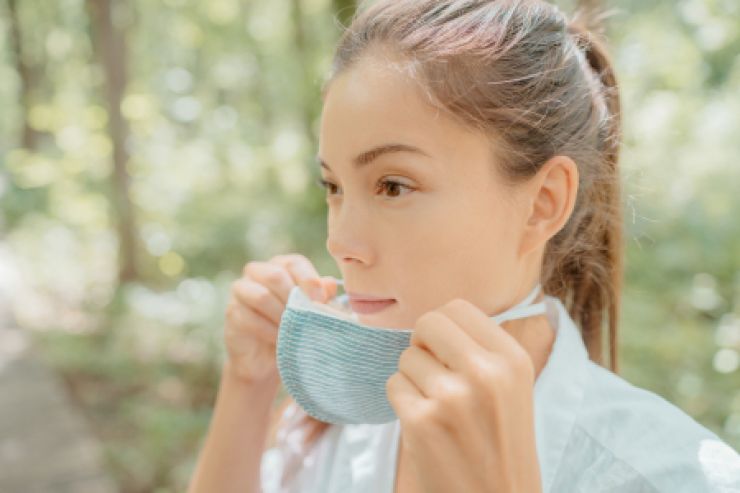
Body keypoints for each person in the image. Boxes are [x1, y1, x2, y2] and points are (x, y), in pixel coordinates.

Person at [187, 0, 740, 492]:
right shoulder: (332, 421)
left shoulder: (674, 475)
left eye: (393, 185)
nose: (340, 242)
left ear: (543, 201)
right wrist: (248, 385)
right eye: (333, 187)